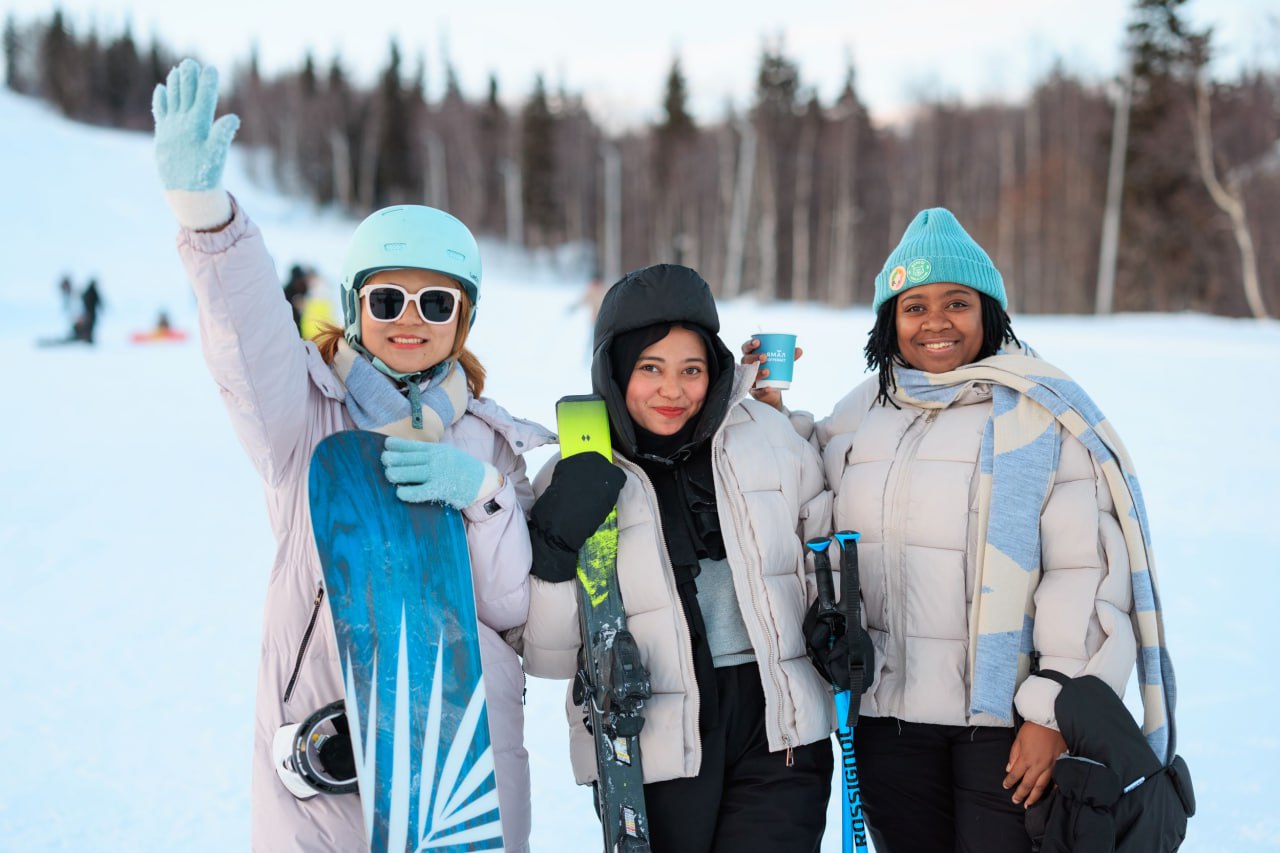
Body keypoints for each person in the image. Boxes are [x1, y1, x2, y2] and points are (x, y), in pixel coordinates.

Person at [151, 58, 550, 852]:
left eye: (436, 301)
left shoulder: (493, 442)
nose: (410, 319)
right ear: (354, 307)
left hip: (462, 775)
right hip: (326, 761)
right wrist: (209, 221)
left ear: (463, 318)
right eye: (387, 298)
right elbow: (248, 339)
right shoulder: (303, 415)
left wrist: (483, 494)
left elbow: (513, 610)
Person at [744, 207, 1178, 853]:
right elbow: (809, 499)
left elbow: (1081, 572)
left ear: (989, 313)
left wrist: (1052, 711)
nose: (936, 322)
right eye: (914, 306)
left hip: (1005, 725)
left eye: (957, 303)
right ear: (889, 320)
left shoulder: (1040, 412)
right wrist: (769, 413)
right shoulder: (864, 410)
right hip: (887, 716)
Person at [522, 263, 836, 853]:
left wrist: (834, 622)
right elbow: (548, 654)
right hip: (648, 736)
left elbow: (823, 548)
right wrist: (556, 543)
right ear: (615, 370)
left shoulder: (765, 438)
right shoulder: (574, 472)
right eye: (650, 368)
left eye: (692, 369)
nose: (673, 390)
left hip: (779, 725)